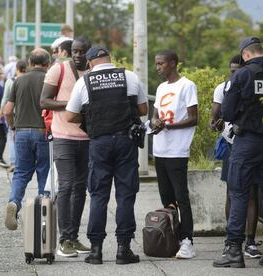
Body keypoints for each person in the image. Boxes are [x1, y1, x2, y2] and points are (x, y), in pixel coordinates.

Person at [65, 45, 147, 265]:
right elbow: (143, 110)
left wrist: (90, 119)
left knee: (99, 196)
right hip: (125, 141)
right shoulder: (129, 76)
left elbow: (70, 115)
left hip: (99, 143)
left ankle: (96, 251)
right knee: (125, 195)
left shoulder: (84, 82)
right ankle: (123, 249)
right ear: (110, 59)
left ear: (91, 63)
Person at [213, 37, 263, 268]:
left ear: (245, 55)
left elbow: (228, 112)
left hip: (247, 142)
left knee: (239, 193)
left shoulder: (242, 75)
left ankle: (234, 251)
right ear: (262, 51)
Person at [40, 36, 91, 257]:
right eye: (75, 51)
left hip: (87, 138)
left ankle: (73, 237)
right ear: (71, 52)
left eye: (83, 52)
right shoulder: (58, 70)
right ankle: (63, 240)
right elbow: (44, 101)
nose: (78, 55)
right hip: (63, 137)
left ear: (90, 53)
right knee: (67, 185)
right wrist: (72, 105)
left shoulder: (92, 74)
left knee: (80, 189)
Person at [211, 55, 262, 259]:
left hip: (250, 143)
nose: (234, 74)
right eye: (231, 70)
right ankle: (231, 241)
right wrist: (216, 123)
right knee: (231, 193)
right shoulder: (222, 88)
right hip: (232, 145)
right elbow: (214, 118)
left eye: (237, 70)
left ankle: (250, 242)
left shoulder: (250, 86)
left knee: (251, 194)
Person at [151, 50, 198, 259]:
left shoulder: (187, 85)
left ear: (173, 63)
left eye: (161, 63)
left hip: (177, 150)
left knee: (181, 197)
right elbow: (154, 115)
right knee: (167, 199)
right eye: (156, 64)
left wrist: (168, 126)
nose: (158, 67)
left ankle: (187, 241)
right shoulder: (161, 87)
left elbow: (193, 118)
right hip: (159, 149)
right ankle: (173, 237)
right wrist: (155, 123)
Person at [3, 48, 51, 231]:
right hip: (43, 132)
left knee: (21, 172)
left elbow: (7, 111)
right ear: (47, 64)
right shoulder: (49, 80)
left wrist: (13, 126)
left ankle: (14, 203)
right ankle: (43, 211)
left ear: (30, 63)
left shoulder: (18, 80)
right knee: (44, 173)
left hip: (22, 132)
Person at [0, 60, 28, 172]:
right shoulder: (28, 80)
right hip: (25, 114)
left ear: (17, 69)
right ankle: (23, 161)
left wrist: (0, 112)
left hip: (12, 113)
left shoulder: (10, 81)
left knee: (12, 137)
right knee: (24, 138)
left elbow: (5, 99)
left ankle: (14, 162)